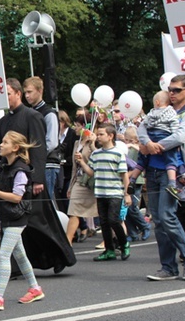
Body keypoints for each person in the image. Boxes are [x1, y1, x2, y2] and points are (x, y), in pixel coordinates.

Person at [0, 78, 76, 273]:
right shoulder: (3, 121)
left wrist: (38, 178)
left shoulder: (32, 116)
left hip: (29, 178)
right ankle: (12, 266)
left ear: (17, 94)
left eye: (7, 93)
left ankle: (59, 257)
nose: (5, 98)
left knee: (41, 223)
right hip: (10, 179)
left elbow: (39, 149)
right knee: (13, 223)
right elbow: (2, 152)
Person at [138, 74, 185, 281]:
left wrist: (156, 146)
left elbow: (180, 136)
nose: (171, 93)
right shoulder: (158, 110)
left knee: (167, 215)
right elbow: (142, 128)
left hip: (173, 170)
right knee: (160, 222)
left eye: (176, 90)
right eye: (170, 90)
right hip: (153, 170)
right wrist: (146, 143)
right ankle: (168, 267)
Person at [0, 132, 45, 311]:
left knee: (4, 255)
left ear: (15, 148)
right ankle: (35, 288)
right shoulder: (2, 165)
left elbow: (16, 197)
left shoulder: (21, 170)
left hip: (17, 216)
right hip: (6, 214)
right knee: (19, 255)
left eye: (5, 142)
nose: (0, 145)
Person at [75, 124, 131, 261]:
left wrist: (127, 193)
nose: (98, 137)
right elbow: (91, 173)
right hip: (100, 192)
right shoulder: (96, 154)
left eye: (101, 134)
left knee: (114, 220)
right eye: (98, 134)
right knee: (104, 222)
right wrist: (82, 162)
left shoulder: (118, 154)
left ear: (110, 136)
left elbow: (124, 175)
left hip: (115, 193)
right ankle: (109, 249)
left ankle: (124, 243)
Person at [131, 91, 185, 200]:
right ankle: (172, 183)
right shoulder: (171, 112)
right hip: (165, 136)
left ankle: (132, 180)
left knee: (142, 159)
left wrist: (149, 143)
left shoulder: (151, 113)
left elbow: (143, 125)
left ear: (156, 102)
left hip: (151, 135)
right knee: (171, 160)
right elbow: (176, 129)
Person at [23, 76, 61, 199]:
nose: (27, 96)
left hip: (47, 164)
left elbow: (52, 142)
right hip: (33, 164)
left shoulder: (49, 113)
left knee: (47, 201)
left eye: (29, 92)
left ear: (40, 91)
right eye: (25, 93)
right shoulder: (28, 112)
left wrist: (35, 154)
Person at [65, 115, 100, 245]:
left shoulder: (96, 142)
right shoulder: (76, 143)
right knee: (73, 210)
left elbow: (98, 157)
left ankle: (112, 239)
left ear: (86, 127)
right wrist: (70, 186)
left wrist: (91, 143)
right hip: (79, 180)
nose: (75, 128)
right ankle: (67, 241)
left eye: (78, 125)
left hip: (92, 181)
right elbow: (74, 167)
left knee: (103, 211)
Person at [123, 127, 151, 242]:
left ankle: (144, 225)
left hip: (136, 180)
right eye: (126, 140)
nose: (127, 143)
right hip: (127, 180)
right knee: (126, 208)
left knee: (133, 207)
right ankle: (132, 232)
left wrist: (133, 146)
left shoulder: (137, 149)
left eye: (129, 140)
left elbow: (138, 164)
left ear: (135, 139)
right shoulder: (126, 149)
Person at [56, 110, 78, 213]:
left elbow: (75, 154)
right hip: (58, 172)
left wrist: (63, 161)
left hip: (69, 172)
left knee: (68, 201)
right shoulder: (54, 136)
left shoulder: (73, 134)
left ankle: (81, 227)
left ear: (63, 122)